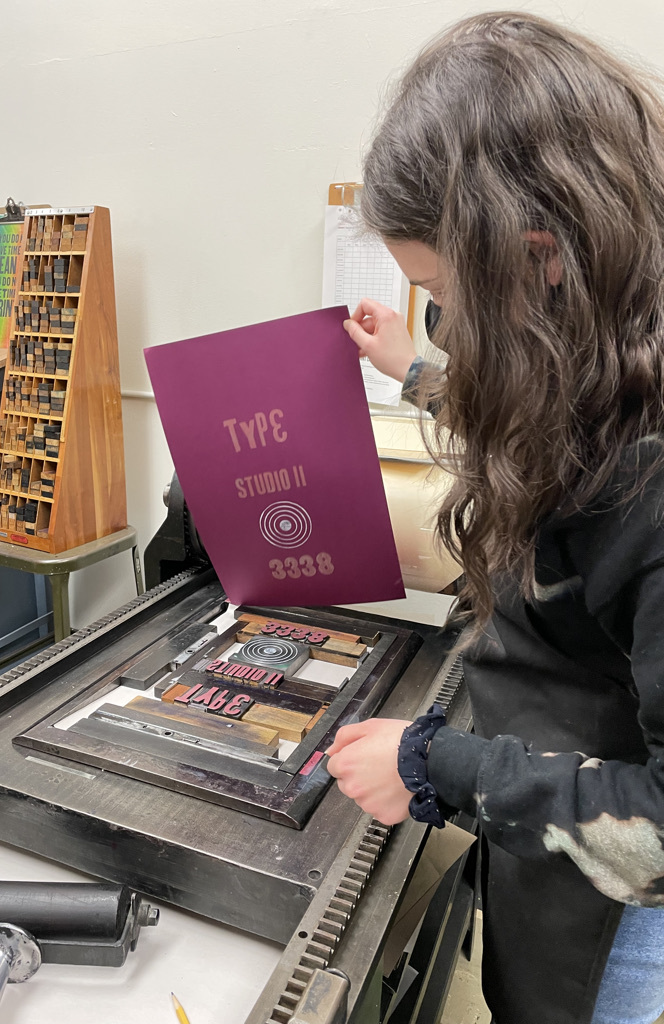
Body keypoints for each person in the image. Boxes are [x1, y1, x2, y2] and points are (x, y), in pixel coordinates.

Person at [324, 12, 664, 1024]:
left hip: (619, 924)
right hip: (546, 832)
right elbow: (542, 413)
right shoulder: (608, 345)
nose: (447, 327)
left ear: (542, 259)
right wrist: (416, 369)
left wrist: (436, 766)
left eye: (443, 293)